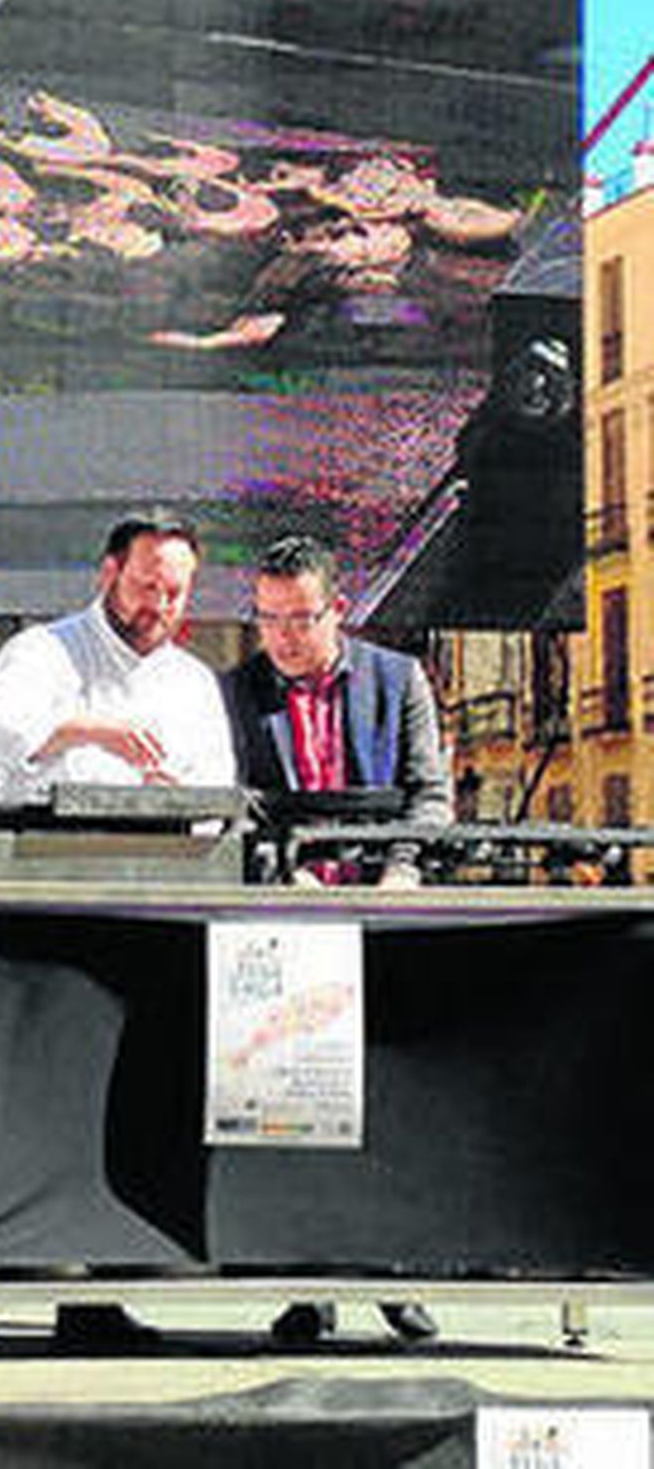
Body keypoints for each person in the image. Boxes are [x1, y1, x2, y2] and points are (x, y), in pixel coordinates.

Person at [222, 531, 452, 1348]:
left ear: (338, 611)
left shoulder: (400, 680)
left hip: (388, 917)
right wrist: (287, 877)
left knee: (390, 1108)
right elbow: (232, 810)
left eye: (299, 617)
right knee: (297, 1113)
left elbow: (431, 797)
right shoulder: (232, 694)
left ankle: (393, 1275)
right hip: (286, 927)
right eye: (267, 619)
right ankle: (307, 1288)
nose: (281, 635)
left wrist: (400, 875)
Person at [0, 508, 235, 801]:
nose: (159, 605)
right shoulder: (43, 650)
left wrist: (176, 796)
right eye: (147, 587)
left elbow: (217, 787)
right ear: (110, 574)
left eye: (174, 593)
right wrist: (86, 730)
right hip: (46, 843)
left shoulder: (194, 681)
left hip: (156, 846)